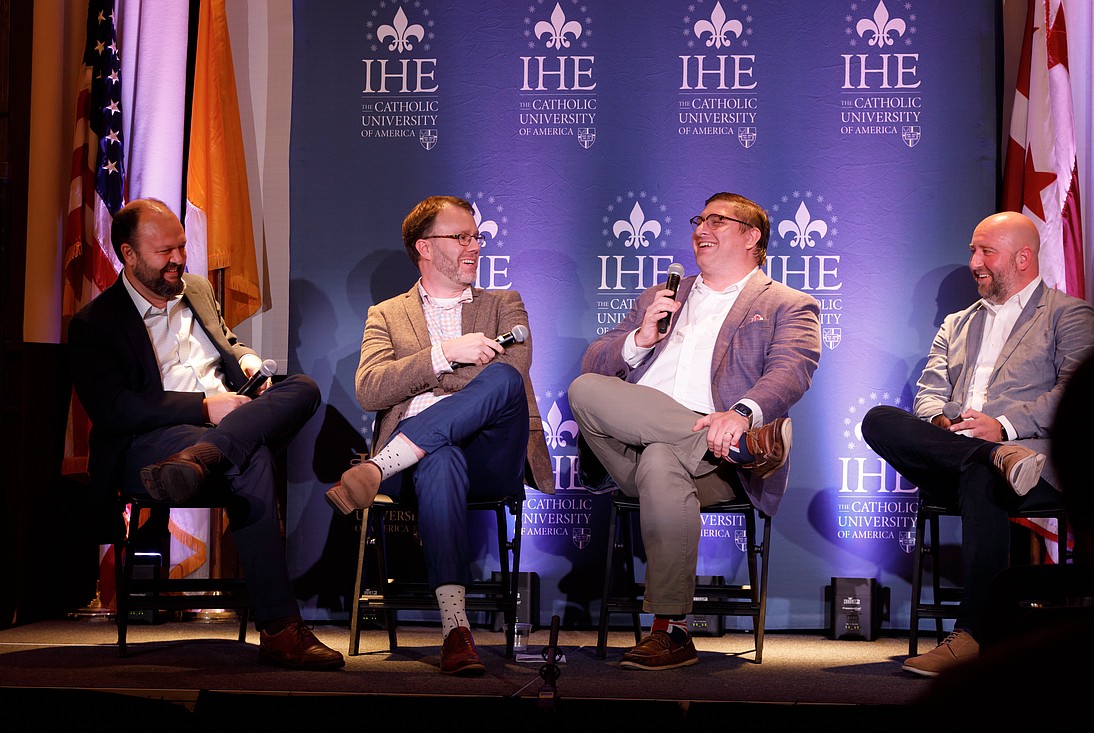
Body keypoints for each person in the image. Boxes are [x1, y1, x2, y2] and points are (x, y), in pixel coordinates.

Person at [67, 198, 343, 670]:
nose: (178, 259)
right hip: (153, 445)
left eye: (182, 246)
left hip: (217, 432)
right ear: (128, 255)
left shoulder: (195, 288)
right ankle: (280, 629)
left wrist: (246, 358)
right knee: (251, 457)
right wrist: (204, 407)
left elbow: (224, 342)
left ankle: (210, 452)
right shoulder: (95, 324)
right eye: (164, 252)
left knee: (303, 387)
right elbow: (114, 409)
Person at [568, 192, 822, 671]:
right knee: (585, 387)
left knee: (663, 459)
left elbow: (791, 371)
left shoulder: (789, 303)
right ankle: (742, 447)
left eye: (717, 221)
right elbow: (595, 363)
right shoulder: (662, 296)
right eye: (698, 220)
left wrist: (742, 414)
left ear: (752, 237)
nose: (701, 228)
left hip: (717, 460)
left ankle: (670, 630)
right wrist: (640, 338)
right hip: (631, 448)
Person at [862, 211, 1094, 677]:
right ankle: (990, 457)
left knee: (979, 474)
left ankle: (972, 632)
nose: (974, 262)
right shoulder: (956, 323)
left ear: (1024, 257)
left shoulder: (1067, 314)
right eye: (973, 250)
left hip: (1036, 465)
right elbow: (928, 393)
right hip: (959, 454)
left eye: (986, 251)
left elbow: (1077, 395)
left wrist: (1004, 428)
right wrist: (943, 421)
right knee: (878, 420)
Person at [326, 195, 554, 675]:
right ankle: (456, 629)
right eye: (461, 237)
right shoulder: (386, 314)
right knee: (438, 455)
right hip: (427, 464)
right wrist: (444, 353)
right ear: (424, 247)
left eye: (477, 237)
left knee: (505, 380)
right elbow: (370, 388)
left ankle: (375, 468)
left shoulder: (504, 304)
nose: (475, 246)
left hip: (493, 453)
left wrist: (432, 383)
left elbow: (512, 372)